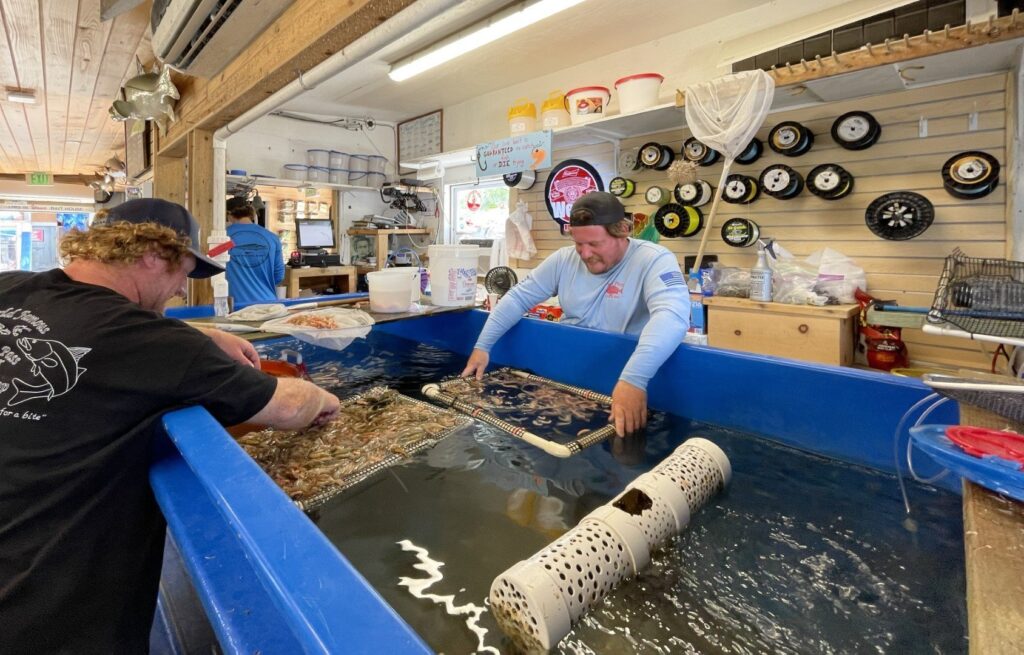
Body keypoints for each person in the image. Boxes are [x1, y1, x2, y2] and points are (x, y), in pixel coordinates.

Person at [0, 198, 340, 653]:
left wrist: (202, 332)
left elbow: (96, 328)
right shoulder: (157, 345)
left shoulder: (12, 289)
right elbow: (287, 407)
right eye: (182, 271)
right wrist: (325, 397)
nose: (181, 290)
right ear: (153, 255)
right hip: (49, 608)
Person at [462, 192, 690, 438]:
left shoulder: (654, 260)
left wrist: (634, 380)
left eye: (594, 244)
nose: (584, 253)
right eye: (578, 244)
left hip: (627, 371)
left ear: (622, 232)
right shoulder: (563, 259)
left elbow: (672, 316)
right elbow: (517, 298)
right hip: (569, 373)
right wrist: (483, 346)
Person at [225, 196, 285, 304]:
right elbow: (278, 276)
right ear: (250, 213)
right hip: (268, 304)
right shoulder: (272, 238)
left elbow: (211, 269)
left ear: (229, 214)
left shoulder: (223, 238)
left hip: (235, 306)